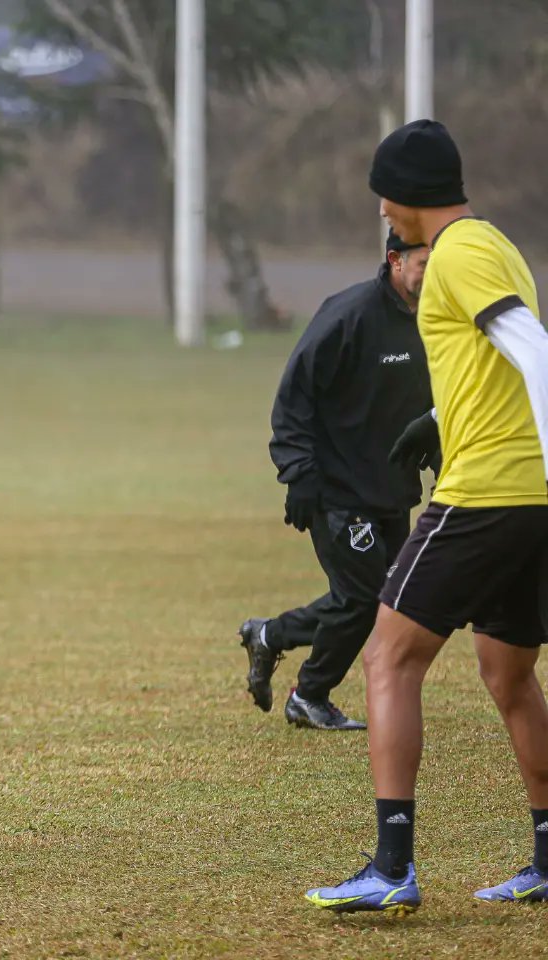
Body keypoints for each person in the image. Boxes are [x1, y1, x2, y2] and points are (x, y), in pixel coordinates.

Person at [306, 119, 548, 912]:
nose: (382, 211)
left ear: (404, 198)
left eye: (385, 195)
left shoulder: (461, 253)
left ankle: (391, 867)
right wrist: (442, 419)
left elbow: (534, 350)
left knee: (387, 659)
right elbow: (495, 362)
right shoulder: (494, 244)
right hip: (523, 495)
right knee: (509, 674)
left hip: (484, 496)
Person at [239, 232, 433, 731]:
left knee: (381, 599)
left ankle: (270, 636)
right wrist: (299, 475)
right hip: (336, 489)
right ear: (395, 260)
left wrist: (436, 453)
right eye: (424, 262)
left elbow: (428, 401)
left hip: (391, 487)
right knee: (365, 597)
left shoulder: (433, 319)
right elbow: (294, 396)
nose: (433, 273)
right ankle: (309, 694)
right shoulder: (348, 315)